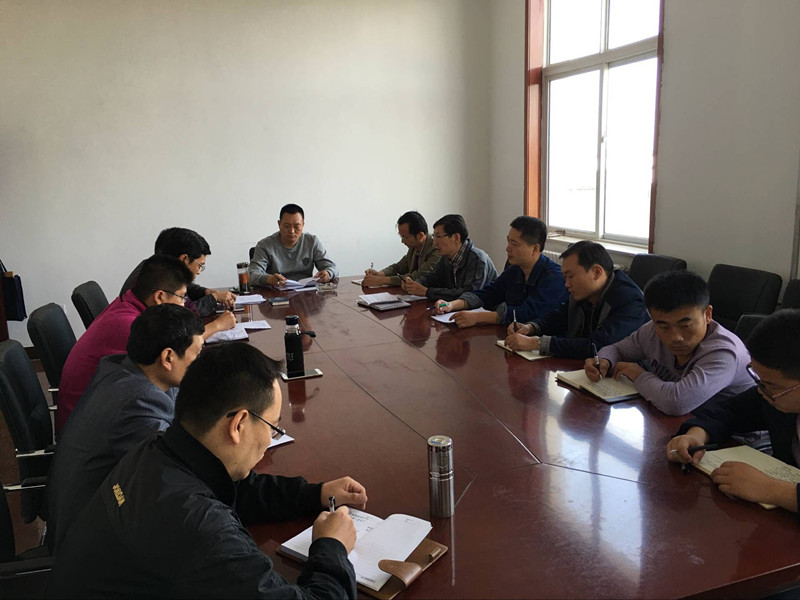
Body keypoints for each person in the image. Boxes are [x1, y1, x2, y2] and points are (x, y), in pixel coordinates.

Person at [48, 343, 366, 598]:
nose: (271, 438)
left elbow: (234, 487)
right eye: (273, 427)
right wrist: (331, 546)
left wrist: (314, 494)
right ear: (238, 424)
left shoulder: (157, 452)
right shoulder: (199, 527)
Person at [48, 304, 205, 553]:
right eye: (197, 355)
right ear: (167, 358)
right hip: (90, 545)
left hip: (96, 511)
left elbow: (178, 408)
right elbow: (177, 472)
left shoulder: (123, 369)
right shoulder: (139, 403)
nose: (200, 363)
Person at [667, 310, 800, 513]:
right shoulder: (775, 394)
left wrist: (775, 490)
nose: (762, 391)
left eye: (771, 386)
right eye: (759, 380)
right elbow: (732, 410)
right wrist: (697, 434)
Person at [57, 255, 193, 432]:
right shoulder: (130, 325)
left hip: (99, 408)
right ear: (159, 296)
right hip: (90, 425)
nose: (183, 305)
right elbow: (168, 370)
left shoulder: (127, 304)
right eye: (181, 297)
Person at [585, 271, 752, 415]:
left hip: (734, 437)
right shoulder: (651, 330)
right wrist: (605, 361)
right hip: (682, 423)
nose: (675, 337)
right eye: (663, 326)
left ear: (707, 315)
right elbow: (617, 349)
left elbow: (676, 403)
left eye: (685, 325)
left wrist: (639, 375)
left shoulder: (723, 353)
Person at [504, 241, 648, 359]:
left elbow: (596, 346)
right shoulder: (584, 292)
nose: (566, 284)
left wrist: (537, 343)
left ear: (596, 272)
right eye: (565, 277)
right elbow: (559, 317)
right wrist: (531, 328)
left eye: (571, 276)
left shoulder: (630, 300)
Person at [433, 216, 568, 328]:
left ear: (535, 249)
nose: (507, 248)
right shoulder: (515, 270)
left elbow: (528, 313)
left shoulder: (555, 277)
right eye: (508, 241)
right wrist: (452, 305)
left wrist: (478, 317)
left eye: (514, 244)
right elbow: (488, 293)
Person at [120, 227, 237, 339]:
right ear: (184, 259)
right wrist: (217, 325)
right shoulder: (149, 283)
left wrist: (205, 292)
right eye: (200, 265)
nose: (199, 271)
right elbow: (175, 339)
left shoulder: (155, 270)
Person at [402, 214, 497, 301]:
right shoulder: (446, 257)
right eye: (434, 236)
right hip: (454, 309)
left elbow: (469, 295)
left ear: (456, 237)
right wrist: (414, 284)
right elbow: (432, 278)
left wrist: (427, 292)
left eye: (438, 236)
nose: (434, 242)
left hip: (486, 310)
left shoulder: (478, 259)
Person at [248, 204, 338, 287]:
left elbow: (332, 267)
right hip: (276, 293)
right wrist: (268, 279)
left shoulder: (312, 242)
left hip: (306, 292)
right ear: (279, 224)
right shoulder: (264, 245)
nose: (292, 231)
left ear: (303, 225)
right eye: (287, 226)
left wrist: (328, 273)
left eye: (296, 226)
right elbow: (253, 274)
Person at [362, 211, 440, 287]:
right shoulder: (414, 247)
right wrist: (380, 274)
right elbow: (398, 267)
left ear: (420, 235)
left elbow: (418, 277)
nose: (402, 241)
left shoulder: (437, 249)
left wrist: (382, 280)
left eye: (405, 237)